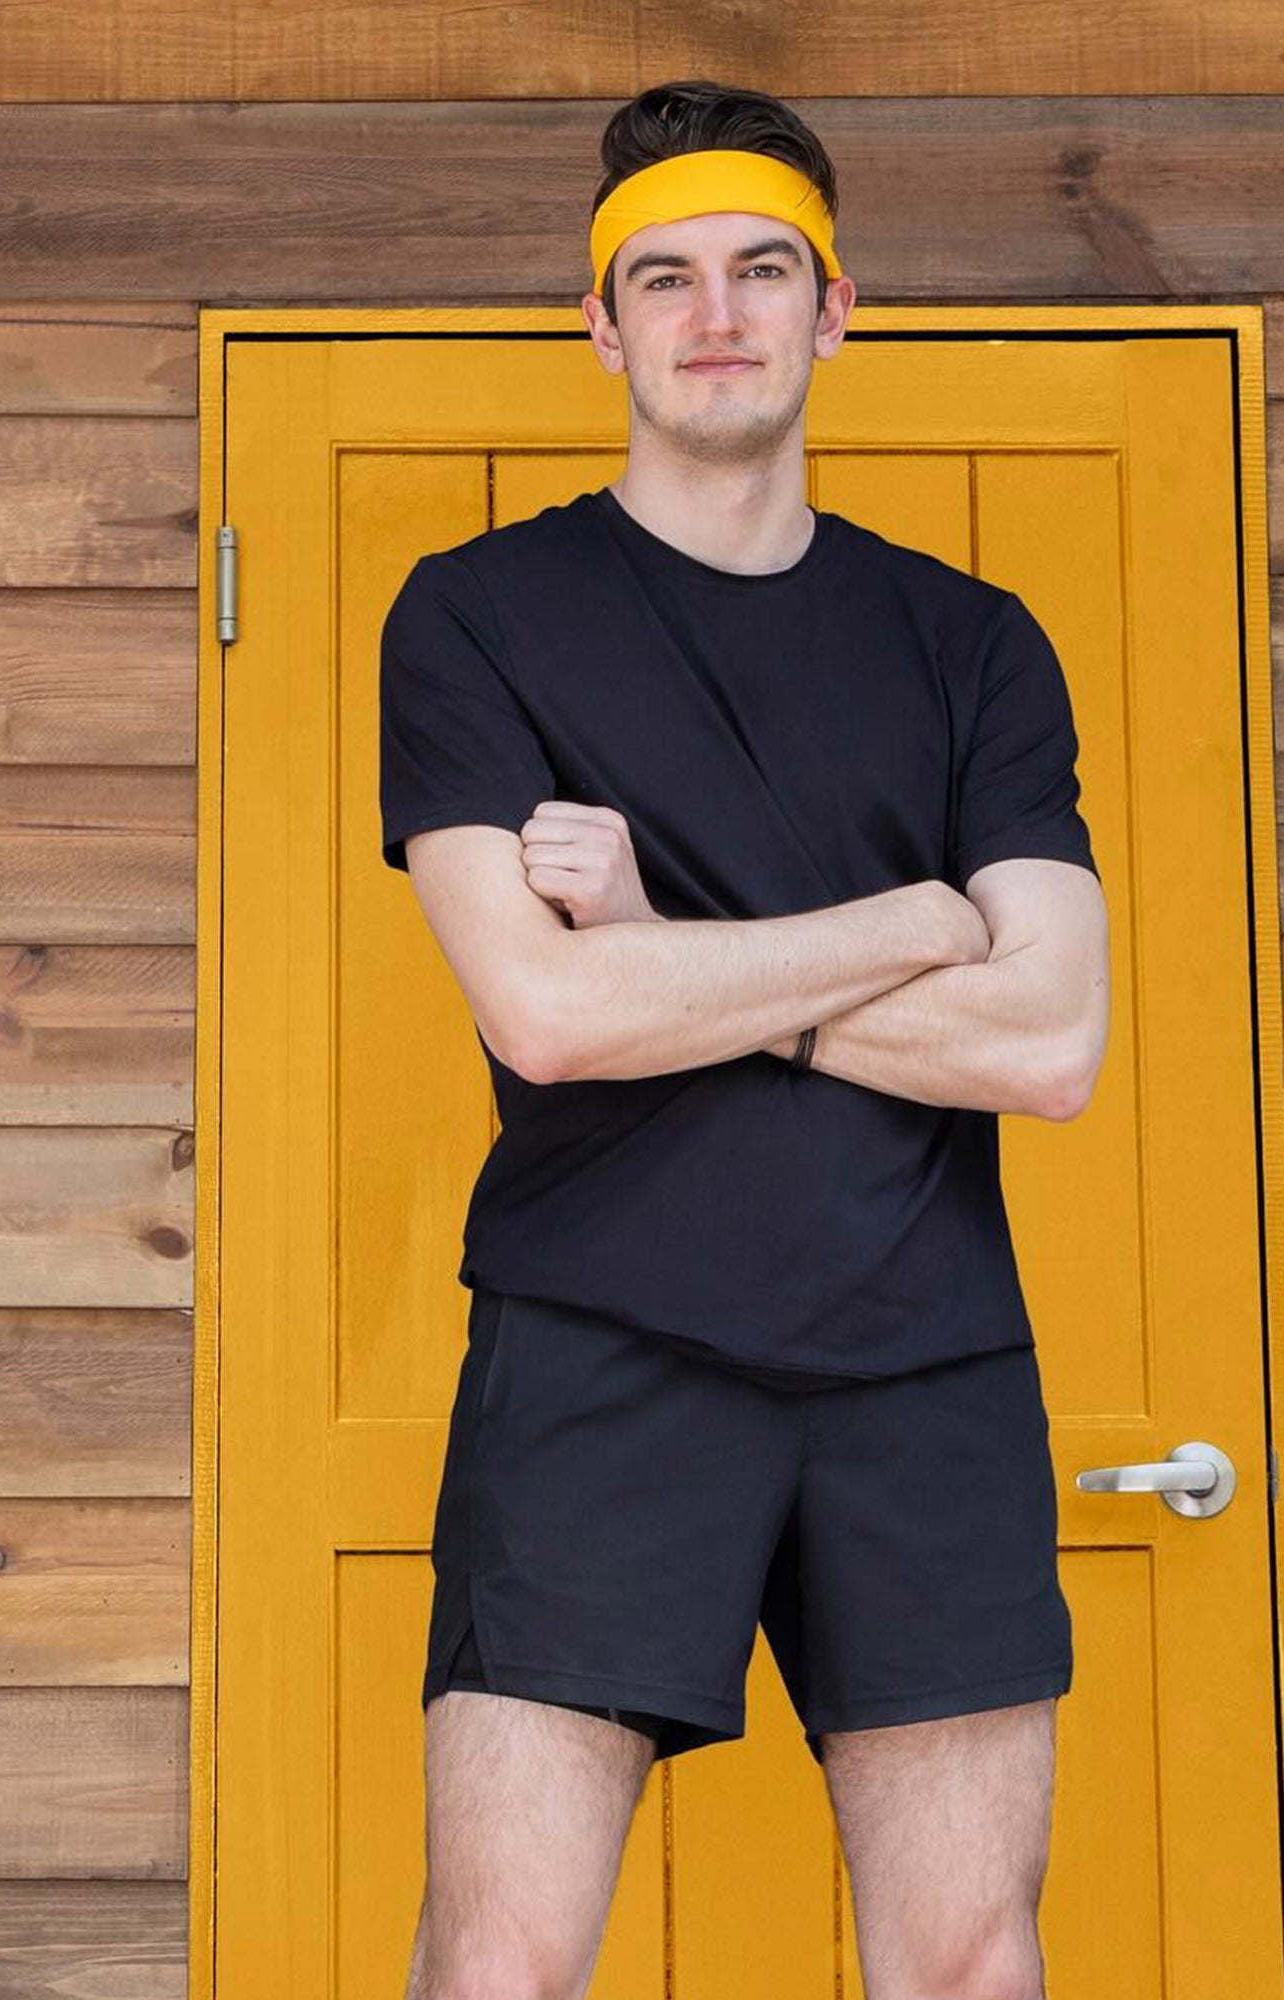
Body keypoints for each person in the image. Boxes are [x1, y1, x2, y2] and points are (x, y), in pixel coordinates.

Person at [385, 77, 1110, 2000]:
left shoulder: (973, 642)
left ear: (835, 308)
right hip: (602, 1338)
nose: (718, 315)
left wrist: (669, 957)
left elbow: (1049, 1040)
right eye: (667, 277)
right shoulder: (478, 617)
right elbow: (549, 1014)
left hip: (930, 1358)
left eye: (764, 270)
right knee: (502, 1959)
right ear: (601, 325)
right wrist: (914, 921)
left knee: (973, 1962)